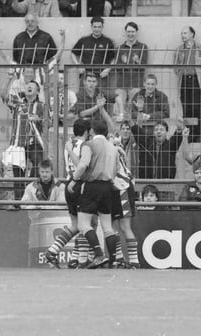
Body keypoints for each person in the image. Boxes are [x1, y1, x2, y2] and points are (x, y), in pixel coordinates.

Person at [67, 119, 120, 269]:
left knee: (83, 224)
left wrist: (74, 179)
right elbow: (115, 170)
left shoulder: (89, 145)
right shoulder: (112, 147)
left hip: (91, 186)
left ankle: (98, 254)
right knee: (107, 226)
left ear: (91, 131)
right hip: (107, 187)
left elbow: (83, 164)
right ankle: (113, 260)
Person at [44, 119, 92, 269]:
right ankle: (83, 260)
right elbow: (81, 166)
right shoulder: (84, 146)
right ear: (86, 132)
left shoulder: (68, 145)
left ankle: (53, 251)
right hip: (79, 186)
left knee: (76, 225)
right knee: (85, 224)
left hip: (68, 184)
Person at [174, 26, 201, 141]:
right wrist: (181, 72)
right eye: (181, 33)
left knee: (196, 108)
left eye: (185, 33)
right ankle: (188, 134)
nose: (182, 35)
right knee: (186, 108)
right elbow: (175, 66)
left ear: (192, 35)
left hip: (196, 81)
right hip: (184, 80)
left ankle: (198, 134)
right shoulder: (179, 50)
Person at [110, 130, 139, 268]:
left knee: (124, 226)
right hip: (113, 188)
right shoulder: (113, 149)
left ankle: (134, 261)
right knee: (111, 226)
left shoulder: (112, 150)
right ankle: (120, 258)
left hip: (122, 188)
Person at [71, 15, 116, 98]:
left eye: (99, 27)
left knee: (100, 98)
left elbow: (113, 58)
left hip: (101, 76)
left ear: (102, 27)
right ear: (91, 27)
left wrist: (108, 70)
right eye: (95, 26)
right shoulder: (83, 40)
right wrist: (78, 65)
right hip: (85, 75)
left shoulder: (108, 41)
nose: (97, 29)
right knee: (83, 98)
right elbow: (73, 53)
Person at [112, 21, 148, 121]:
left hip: (136, 84)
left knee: (134, 111)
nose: (130, 34)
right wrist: (125, 63)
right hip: (122, 83)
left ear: (136, 32)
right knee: (119, 113)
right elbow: (117, 67)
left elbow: (144, 65)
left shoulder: (143, 47)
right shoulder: (120, 48)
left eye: (132, 32)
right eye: (128, 31)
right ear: (125, 32)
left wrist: (137, 61)